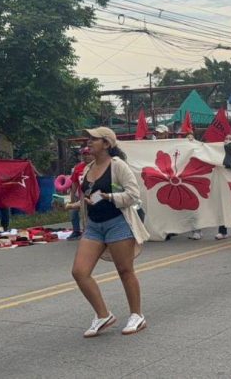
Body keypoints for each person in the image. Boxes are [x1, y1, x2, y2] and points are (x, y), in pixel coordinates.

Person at [67, 127, 150, 337]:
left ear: (106, 144)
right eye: (89, 139)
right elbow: (91, 196)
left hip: (118, 223)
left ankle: (136, 315)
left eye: (94, 139)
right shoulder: (87, 169)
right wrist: (76, 205)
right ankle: (103, 315)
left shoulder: (118, 166)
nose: (89, 142)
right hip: (94, 225)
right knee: (79, 272)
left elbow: (133, 195)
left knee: (125, 270)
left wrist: (110, 197)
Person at [67, 147, 95, 240]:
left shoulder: (97, 166)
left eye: (88, 154)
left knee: (90, 215)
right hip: (81, 196)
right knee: (73, 212)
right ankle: (76, 231)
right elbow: (74, 183)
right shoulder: (78, 167)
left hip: (95, 196)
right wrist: (71, 197)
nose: (86, 156)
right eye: (84, 154)